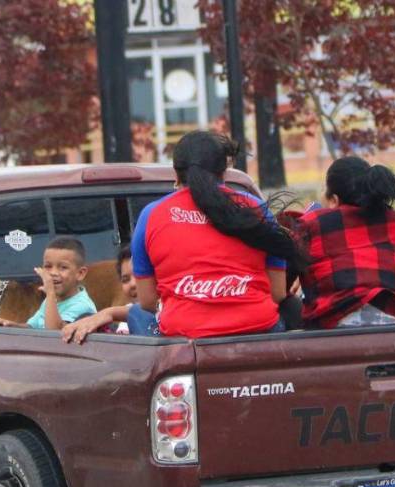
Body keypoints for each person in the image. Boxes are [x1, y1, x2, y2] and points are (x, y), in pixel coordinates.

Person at [131, 130, 306, 338]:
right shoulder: (255, 207)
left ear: (176, 174)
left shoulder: (151, 215)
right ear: (224, 172)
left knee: (136, 313)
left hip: (185, 341)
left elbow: (148, 301)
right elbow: (277, 294)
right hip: (259, 330)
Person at [295, 157, 395, 329]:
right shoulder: (393, 220)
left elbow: (282, 288)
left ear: (333, 200)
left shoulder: (312, 223)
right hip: (391, 317)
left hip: (332, 326)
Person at [0, 237, 97, 331]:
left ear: (80, 273)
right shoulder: (51, 301)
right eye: (48, 266)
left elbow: (54, 333)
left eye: (63, 267)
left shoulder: (82, 306)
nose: (53, 273)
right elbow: (32, 328)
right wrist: (9, 324)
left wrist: (50, 293)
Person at [60, 245, 157, 343]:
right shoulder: (127, 318)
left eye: (139, 275)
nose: (132, 284)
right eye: (125, 280)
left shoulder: (166, 310)